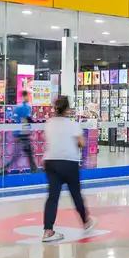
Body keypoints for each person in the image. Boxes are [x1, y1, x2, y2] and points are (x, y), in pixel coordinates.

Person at [41, 95, 95, 243]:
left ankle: (48, 230)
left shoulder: (49, 123)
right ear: (67, 109)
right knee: (76, 194)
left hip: (50, 162)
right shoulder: (72, 124)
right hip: (69, 162)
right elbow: (82, 142)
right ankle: (86, 221)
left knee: (53, 197)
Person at [5, 90, 36, 173]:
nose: (28, 98)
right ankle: (34, 170)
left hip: (19, 132)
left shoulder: (18, 107)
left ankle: (34, 169)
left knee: (22, 153)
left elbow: (14, 118)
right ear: (25, 96)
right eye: (28, 96)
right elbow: (28, 119)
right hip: (23, 133)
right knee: (26, 152)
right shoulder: (25, 107)